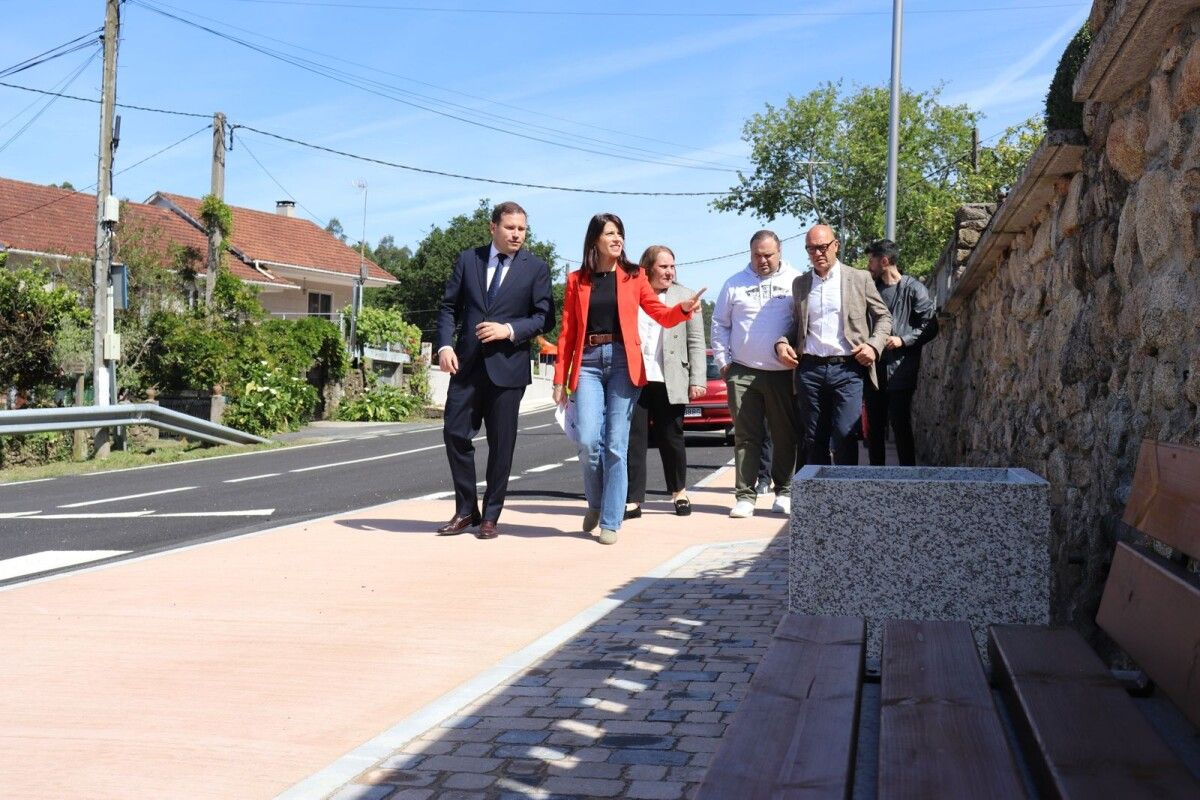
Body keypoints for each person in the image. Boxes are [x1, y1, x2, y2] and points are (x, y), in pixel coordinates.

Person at [553, 214, 705, 545]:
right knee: (589, 441)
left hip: (623, 363)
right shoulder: (577, 280)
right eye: (610, 233)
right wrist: (558, 378)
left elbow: (661, 315)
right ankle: (595, 502)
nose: (617, 238)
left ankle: (611, 520)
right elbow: (567, 332)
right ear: (595, 240)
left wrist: (683, 309)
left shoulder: (634, 277)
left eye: (620, 232)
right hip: (589, 364)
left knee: (616, 446)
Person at [434, 201, 554, 540]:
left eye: (522, 229)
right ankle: (465, 509)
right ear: (493, 228)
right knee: (455, 434)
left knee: (502, 445)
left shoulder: (536, 268)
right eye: (510, 228)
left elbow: (545, 317)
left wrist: (509, 330)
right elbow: (448, 308)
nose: (517, 234)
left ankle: (490, 516)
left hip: (508, 368)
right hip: (466, 365)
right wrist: (444, 346)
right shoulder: (467, 260)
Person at [776, 225, 892, 466]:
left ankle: (844, 497)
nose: (818, 253)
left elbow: (884, 317)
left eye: (823, 247)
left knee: (845, 435)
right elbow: (797, 327)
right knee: (813, 439)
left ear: (836, 245)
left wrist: (873, 345)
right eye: (811, 249)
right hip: (810, 370)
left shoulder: (859, 278)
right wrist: (781, 343)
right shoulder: (800, 284)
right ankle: (818, 499)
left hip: (848, 370)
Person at [711, 230, 803, 519]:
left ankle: (785, 491)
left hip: (783, 373)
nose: (762, 260)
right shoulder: (734, 284)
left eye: (768, 255)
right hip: (743, 371)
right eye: (757, 255)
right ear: (750, 254)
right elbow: (719, 323)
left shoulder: (795, 281)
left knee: (784, 434)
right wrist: (724, 361)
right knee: (746, 436)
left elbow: (803, 322)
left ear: (779, 252)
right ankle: (745, 496)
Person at [624, 245, 707, 519]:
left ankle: (679, 492)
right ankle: (633, 499)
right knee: (634, 439)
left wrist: (698, 380)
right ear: (647, 269)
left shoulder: (685, 296)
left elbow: (696, 342)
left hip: (670, 378)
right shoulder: (632, 294)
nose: (669, 271)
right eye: (663, 266)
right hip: (636, 376)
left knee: (671, 437)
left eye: (672, 266)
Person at [864, 238, 938, 466]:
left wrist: (903, 340)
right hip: (873, 369)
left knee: (900, 424)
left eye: (872, 261)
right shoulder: (870, 288)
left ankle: (908, 477)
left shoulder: (914, 289)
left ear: (884, 261)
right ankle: (875, 478)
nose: (869, 265)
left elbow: (931, 326)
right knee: (874, 428)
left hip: (901, 369)